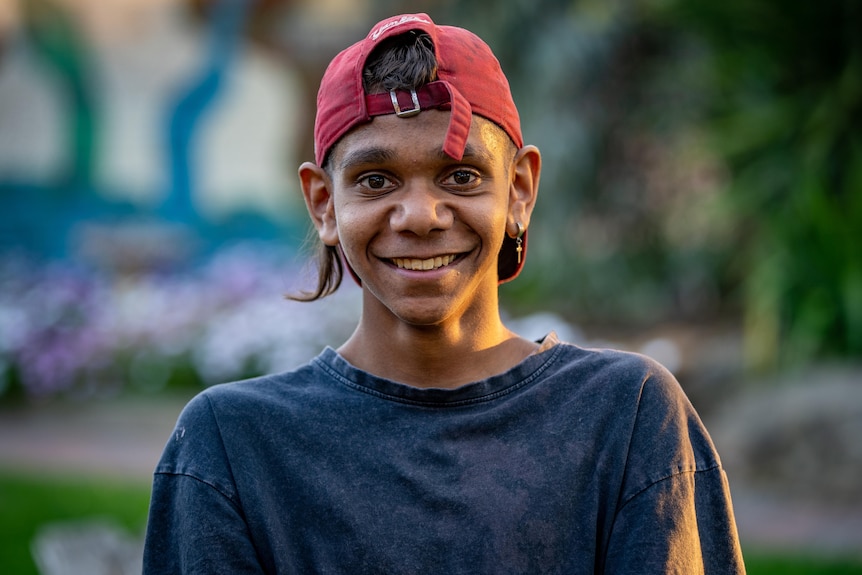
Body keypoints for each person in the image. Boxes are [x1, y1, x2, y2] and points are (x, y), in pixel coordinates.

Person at [143, 13, 746, 574]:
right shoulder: (233, 444)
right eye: (375, 181)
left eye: (461, 175)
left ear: (519, 190)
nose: (420, 216)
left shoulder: (627, 415)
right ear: (324, 205)